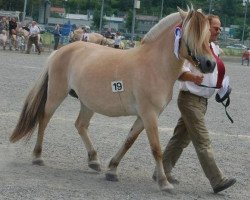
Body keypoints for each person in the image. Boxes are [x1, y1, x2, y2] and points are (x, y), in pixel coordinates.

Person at [153, 14, 236, 193]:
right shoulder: (192, 48)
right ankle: (217, 180)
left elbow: (215, 73)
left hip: (202, 102)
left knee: (180, 140)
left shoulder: (213, 48)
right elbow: (179, 72)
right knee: (202, 140)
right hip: (190, 99)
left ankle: (162, 170)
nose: (219, 31)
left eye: (220, 28)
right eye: (216, 27)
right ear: (205, 27)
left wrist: (223, 88)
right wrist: (193, 77)